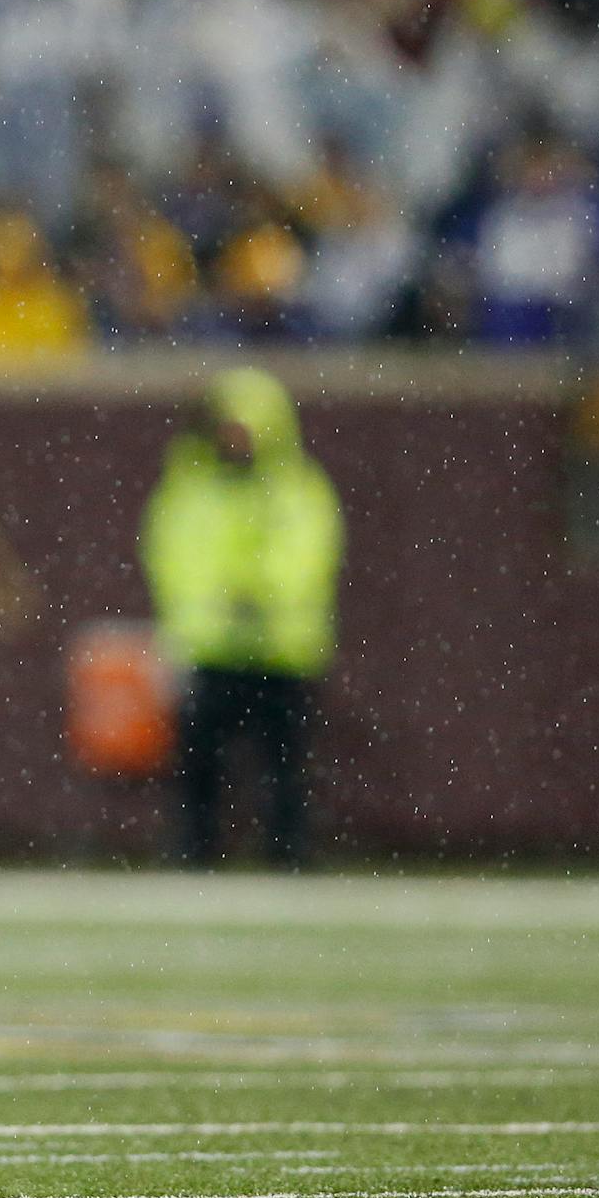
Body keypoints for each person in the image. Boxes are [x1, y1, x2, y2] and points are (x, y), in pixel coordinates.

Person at [141, 369, 344, 870]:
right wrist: (218, 601)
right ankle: (195, 852)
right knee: (199, 764)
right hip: (211, 647)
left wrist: (261, 595)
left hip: (281, 649)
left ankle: (288, 853)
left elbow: (310, 554)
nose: (235, 439)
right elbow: (171, 556)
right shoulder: (191, 487)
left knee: (285, 764)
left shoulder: (296, 489)